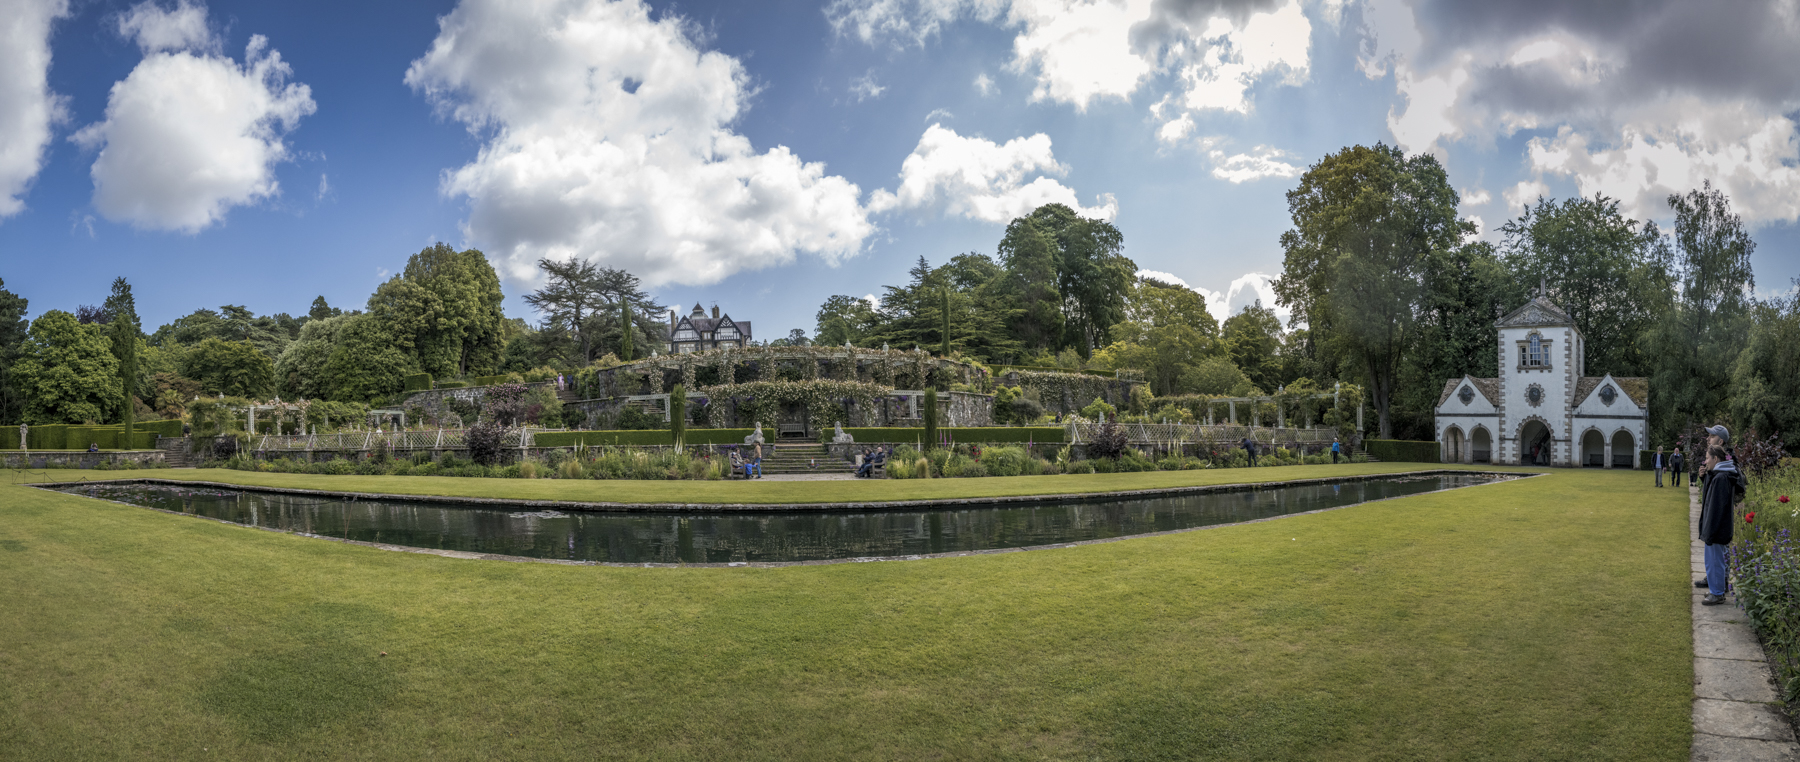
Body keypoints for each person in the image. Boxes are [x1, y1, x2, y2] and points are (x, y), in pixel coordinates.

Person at [1696, 445, 1744, 605]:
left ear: (1716, 459)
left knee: (1715, 561)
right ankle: (1715, 591)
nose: (1706, 461)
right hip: (1718, 529)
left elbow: (1716, 508)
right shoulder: (1721, 475)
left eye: (1708, 458)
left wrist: (1709, 532)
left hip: (1716, 530)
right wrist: (1705, 477)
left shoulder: (1721, 478)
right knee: (1715, 560)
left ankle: (1717, 593)